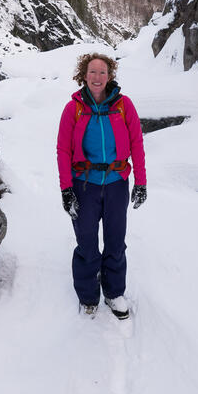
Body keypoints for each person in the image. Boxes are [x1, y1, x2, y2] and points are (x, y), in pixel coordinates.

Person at [56, 53, 147, 319]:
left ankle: (114, 292)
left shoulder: (123, 105)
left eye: (102, 72)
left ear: (110, 76)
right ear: (84, 75)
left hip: (117, 183)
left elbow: (137, 144)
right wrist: (66, 189)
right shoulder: (73, 108)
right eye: (92, 72)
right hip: (84, 185)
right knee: (86, 242)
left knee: (116, 241)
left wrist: (140, 181)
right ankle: (88, 296)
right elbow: (63, 150)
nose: (97, 77)